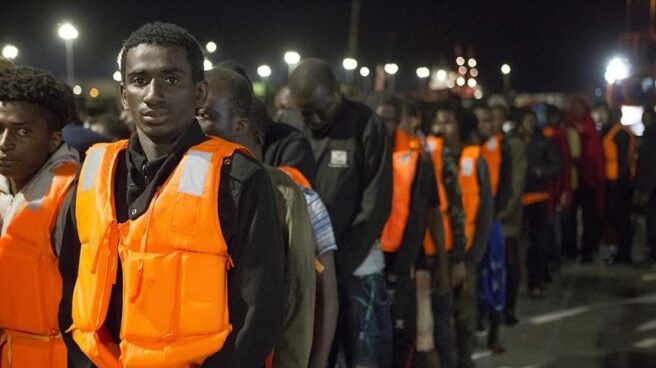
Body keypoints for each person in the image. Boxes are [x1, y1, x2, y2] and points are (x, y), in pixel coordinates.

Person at [57, 22, 285, 367]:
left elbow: (259, 311)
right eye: (139, 80)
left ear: (199, 92)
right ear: (123, 95)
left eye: (171, 79)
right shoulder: (93, 172)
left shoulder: (237, 177)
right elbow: (70, 280)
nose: (153, 94)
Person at [198, 66, 321, 368]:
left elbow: (298, 294)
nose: (196, 125)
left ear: (240, 124)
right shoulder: (175, 180)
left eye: (205, 115)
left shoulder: (280, 191)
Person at [289, 58, 393, 367]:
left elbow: (376, 206)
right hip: (305, 266)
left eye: (322, 108)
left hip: (356, 267)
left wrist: (337, 266)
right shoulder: (292, 127)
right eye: (307, 113)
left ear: (337, 91)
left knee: (365, 357)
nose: (316, 119)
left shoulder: (367, 126)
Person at [0, 66, 79, 367]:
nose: (5, 143)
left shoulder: (75, 195)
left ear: (53, 138)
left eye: (23, 131)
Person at [375, 98, 446, 367]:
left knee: (414, 339)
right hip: (369, 264)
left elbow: (432, 212)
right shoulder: (363, 155)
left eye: (392, 119)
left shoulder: (419, 159)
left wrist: (444, 262)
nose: (386, 126)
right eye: (380, 119)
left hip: (407, 266)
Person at [431, 106, 494, 368]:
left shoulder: (476, 160)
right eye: (437, 121)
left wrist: (471, 260)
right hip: (438, 256)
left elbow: (485, 212)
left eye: (447, 121)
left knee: (464, 321)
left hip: (466, 256)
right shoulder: (429, 157)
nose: (440, 127)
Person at [472, 104, 511, 353]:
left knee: (496, 277)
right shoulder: (465, 151)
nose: (487, 125)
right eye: (482, 121)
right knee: (474, 279)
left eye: (490, 120)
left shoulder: (501, 147)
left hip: (492, 223)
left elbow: (506, 183)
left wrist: (497, 210)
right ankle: (475, 322)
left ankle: (494, 333)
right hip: (469, 226)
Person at [516, 108, 560, 298]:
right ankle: (518, 280)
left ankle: (536, 281)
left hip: (538, 198)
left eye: (532, 120)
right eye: (526, 120)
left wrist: (541, 171)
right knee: (517, 244)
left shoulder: (543, 141)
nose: (530, 124)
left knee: (538, 242)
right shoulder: (513, 141)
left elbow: (556, 165)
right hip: (517, 200)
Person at [567, 97, 605, 262]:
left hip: (587, 180)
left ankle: (587, 250)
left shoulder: (588, 127)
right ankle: (571, 249)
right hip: (572, 180)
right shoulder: (568, 126)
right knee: (570, 217)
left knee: (588, 216)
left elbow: (593, 155)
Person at [600, 108, 636, 263]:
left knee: (619, 218)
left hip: (618, 182)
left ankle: (622, 253)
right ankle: (622, 252)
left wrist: (620, 182)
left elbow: (622, 160)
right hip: (617, 180)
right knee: (620, 218)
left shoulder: (619, 134)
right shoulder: (619, 132)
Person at [634, 107, 656, 262]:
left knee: (652, 220)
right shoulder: (647, 136)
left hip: (652, 188)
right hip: (649, 186)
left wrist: (645, 190)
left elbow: (650, 166)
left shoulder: (650, 138)